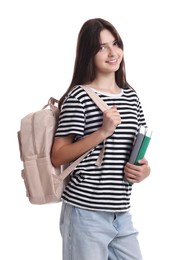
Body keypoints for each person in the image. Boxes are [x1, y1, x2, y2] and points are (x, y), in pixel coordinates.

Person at [51, 18, 151, 260]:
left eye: (115, 43)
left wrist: (144, 170)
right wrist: (102, 133)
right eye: (101, 47)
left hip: (121, 213)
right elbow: (57, 155)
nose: (112, 52)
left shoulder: (132, 97)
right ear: (88, 53)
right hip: (85, 213)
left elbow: (133, 152)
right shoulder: (79, 97)